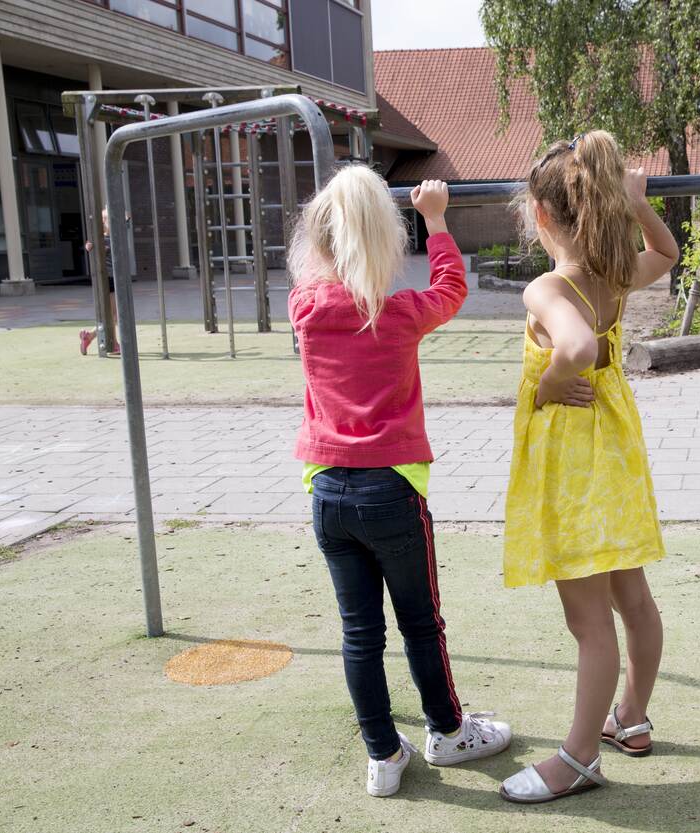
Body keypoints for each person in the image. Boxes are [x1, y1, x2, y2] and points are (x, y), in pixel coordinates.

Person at [289, 166, 512, 798]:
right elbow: (450, 288)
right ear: (385, 243)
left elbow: (320, 272)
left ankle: (382, 754)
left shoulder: (304, 308)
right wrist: (436, 222)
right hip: (391, 490)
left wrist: (337, 217)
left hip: (327, 493)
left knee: (359, 630)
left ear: (321, 243)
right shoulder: (400, 312)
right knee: (420, 622)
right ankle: (446, 731)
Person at [498, 130, 679, 804]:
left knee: (589, 623)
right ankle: (631, 716)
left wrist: (549, 380)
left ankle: (578, 757)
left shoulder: (549, 286)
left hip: (575, 472)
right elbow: (669, 251)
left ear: (541, 216)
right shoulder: (615, 273)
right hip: (615, 456)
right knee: (632, 599)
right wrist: (639, 207)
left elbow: (572, 344)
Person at [79, 208, 124, 355]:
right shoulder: (101, 238)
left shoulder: (115, 236)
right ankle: (112, 342)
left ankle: (90, 336)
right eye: (109, 220)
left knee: (111, 314)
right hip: (108, 279)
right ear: (103, 222)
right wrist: (90, 246)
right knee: (112, 314)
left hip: (113, 278)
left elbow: (127, 218)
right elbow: (90, 246)